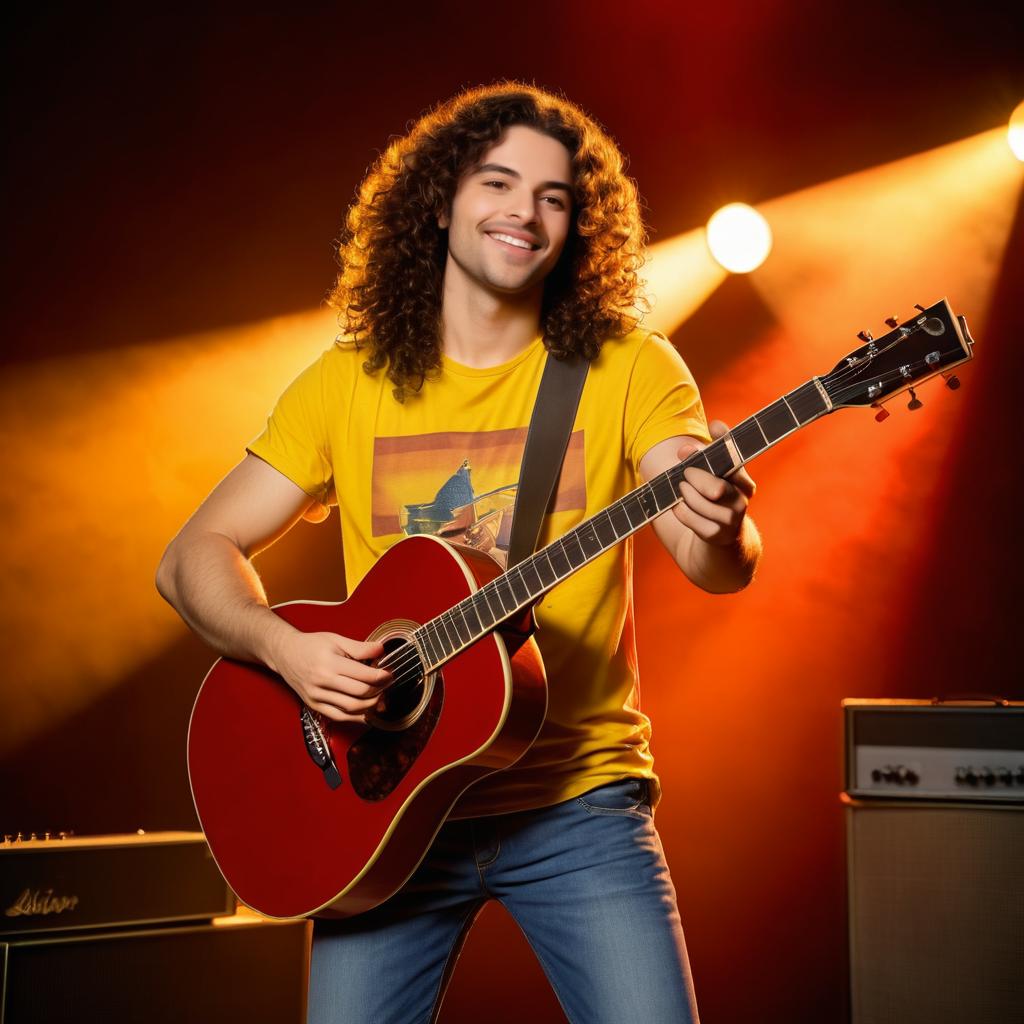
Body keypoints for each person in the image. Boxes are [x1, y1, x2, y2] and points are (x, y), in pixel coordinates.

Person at [158, 82, 761, 1024]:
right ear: (439, 201)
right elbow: (193, 554)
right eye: (498, 182)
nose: (525, 210)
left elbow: (706, 549)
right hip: (381, 809)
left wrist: (720, 522)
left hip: (577, 805)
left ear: (577, 228)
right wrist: (284, 647)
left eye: (555, 197)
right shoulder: (345, 384)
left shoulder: (630, 366)